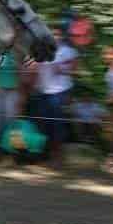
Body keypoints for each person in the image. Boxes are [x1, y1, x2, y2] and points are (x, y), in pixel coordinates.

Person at [35, 26, 78, 168]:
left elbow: (74, 68)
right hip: (43, 92)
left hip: (59, 92)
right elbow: (35, 68)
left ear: (61, 36)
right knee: (44, 125)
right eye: (52, 34)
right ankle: (47, 156)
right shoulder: (42, 50)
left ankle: (59, 158)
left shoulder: (67, 51)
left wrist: (62, 68)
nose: (54, 37)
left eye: (57, 34)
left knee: (57, 126)